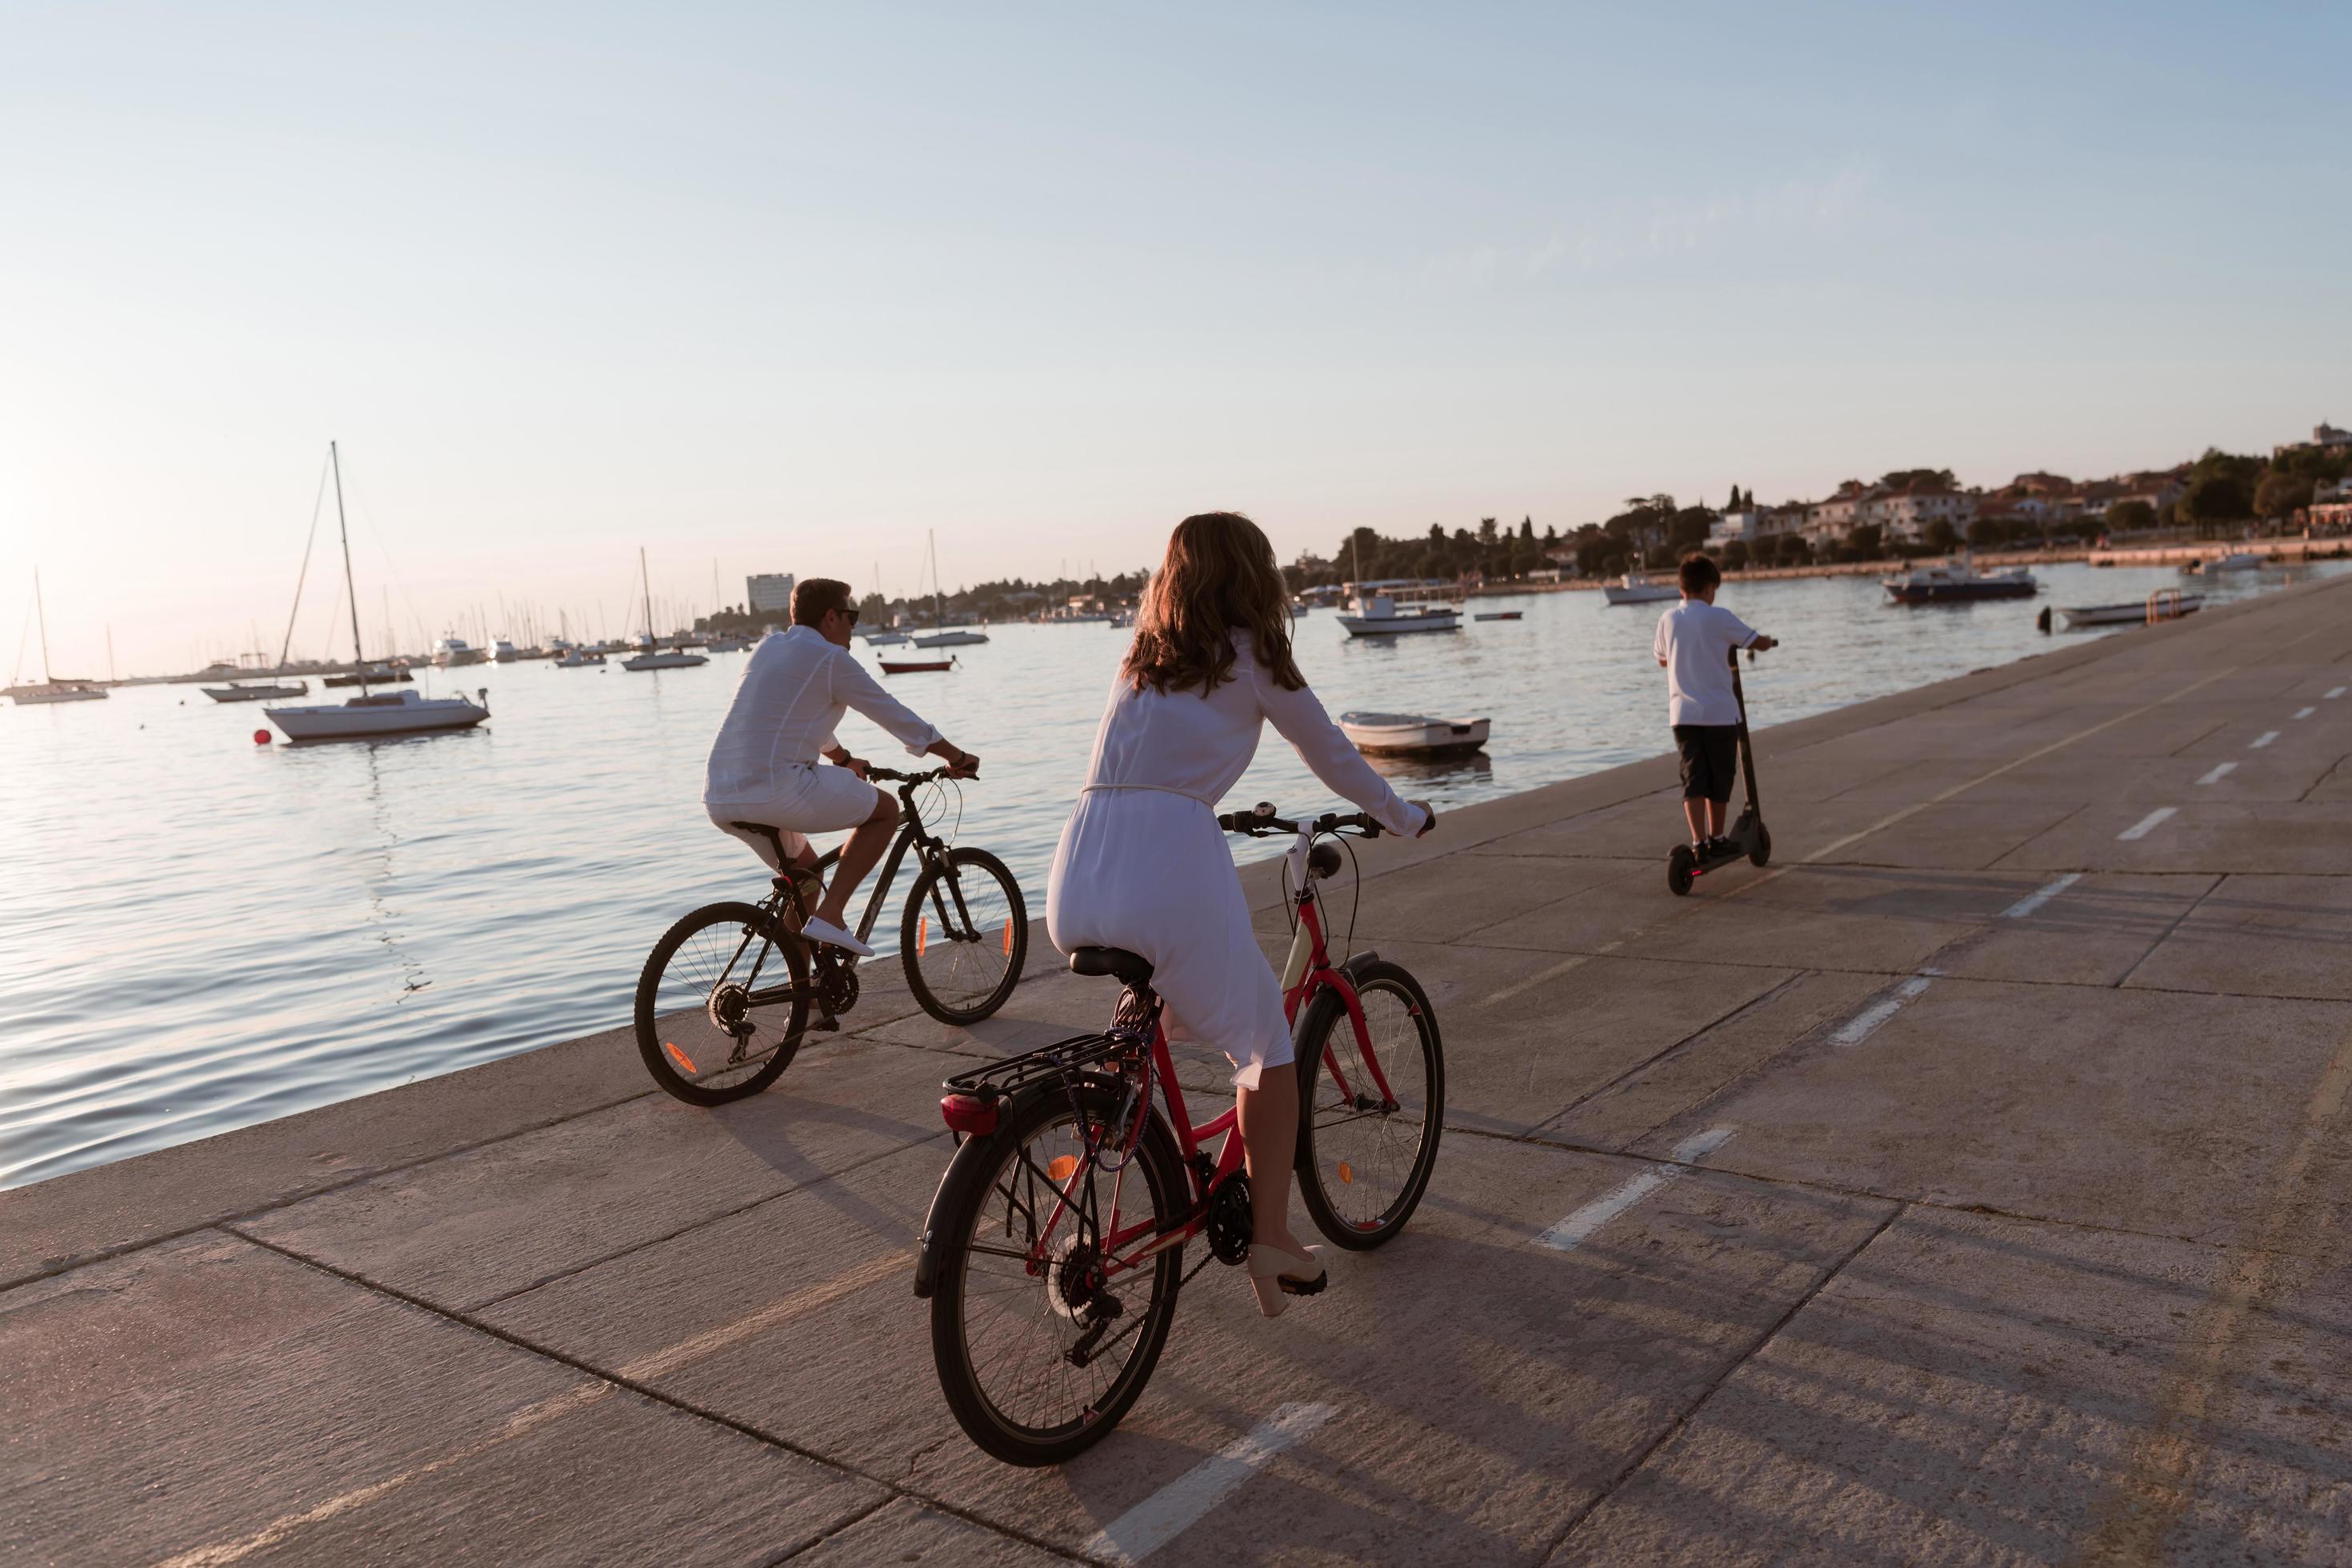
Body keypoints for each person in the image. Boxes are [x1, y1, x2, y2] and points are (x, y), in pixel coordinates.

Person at [1047, 513, 1434, 1319]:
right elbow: (1332, 753)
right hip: (1165, 861)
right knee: (1267, 1049)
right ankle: (1269, 1238)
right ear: (1255, 574)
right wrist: (1404, 816)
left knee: (1169, 992)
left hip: (1078, 867)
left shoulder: (1140, 660)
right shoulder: (1255, 656)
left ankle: (1136, 1124)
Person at [705, 577, 977, 956]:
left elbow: (789, 716)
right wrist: (954, 756)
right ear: (831, 617)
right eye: (852, 616)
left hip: (721, 793)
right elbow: (894, 715)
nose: (854, 626)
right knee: (884, 811)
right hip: (776, 788)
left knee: (807, 878)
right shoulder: (832, 660)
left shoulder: (768, 648)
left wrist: (844, 760)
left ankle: (807, 1001)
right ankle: (832, 915)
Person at [1654, 551, 1776, 855]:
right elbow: (1755, 641)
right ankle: (1717, 837)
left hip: (1682, 715)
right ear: (1709, 588)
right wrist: (1769, 641)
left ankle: (1698, 842)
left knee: (1693, 775)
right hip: (1720, 714)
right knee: (1720, 775)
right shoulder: (1720, 617)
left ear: (1682, 588)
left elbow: (1662, 660)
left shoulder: (1668, 619)